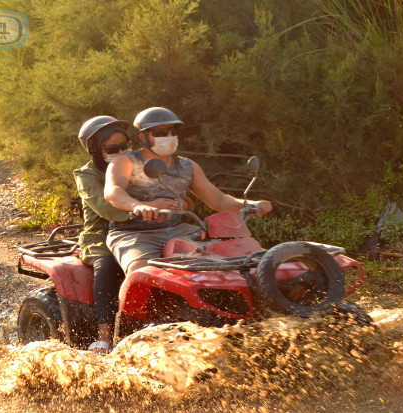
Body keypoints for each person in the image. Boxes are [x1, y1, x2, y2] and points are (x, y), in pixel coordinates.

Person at [104, 107, 273, 275]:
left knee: (235, 256)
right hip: (135, 234)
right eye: (161, 132)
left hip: (179, 231)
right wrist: (138, 206)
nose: (169, 137)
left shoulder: (187, 166)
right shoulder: (125, 161)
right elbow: (113, 191)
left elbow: (218, 200)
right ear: (143, 136)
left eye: (173, 131)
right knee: (141, 271)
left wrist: (250, 204)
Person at [75, 116, 135, 355]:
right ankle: (104, 337)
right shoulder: (86, 175)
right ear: (96, 151)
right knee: (108, 264)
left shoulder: (139, 163)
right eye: (113, 149)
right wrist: (144, 209)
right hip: (101, 235)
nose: (121, 153)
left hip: (144, 230)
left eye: (125, 146)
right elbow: (106, 207)